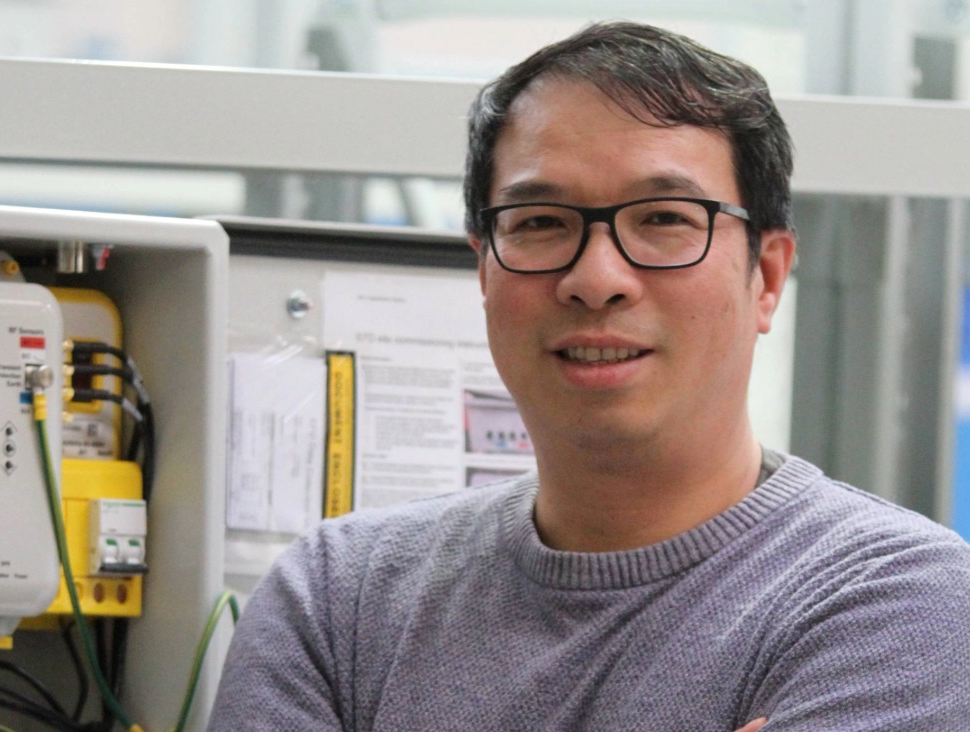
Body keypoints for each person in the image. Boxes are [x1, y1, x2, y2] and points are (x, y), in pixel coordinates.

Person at [208, 21, 970, 731]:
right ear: (484, 271)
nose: (596, 279)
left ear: (766, 276)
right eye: (541, 224)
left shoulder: (898, 600)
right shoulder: (339, 597)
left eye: (664, 219)